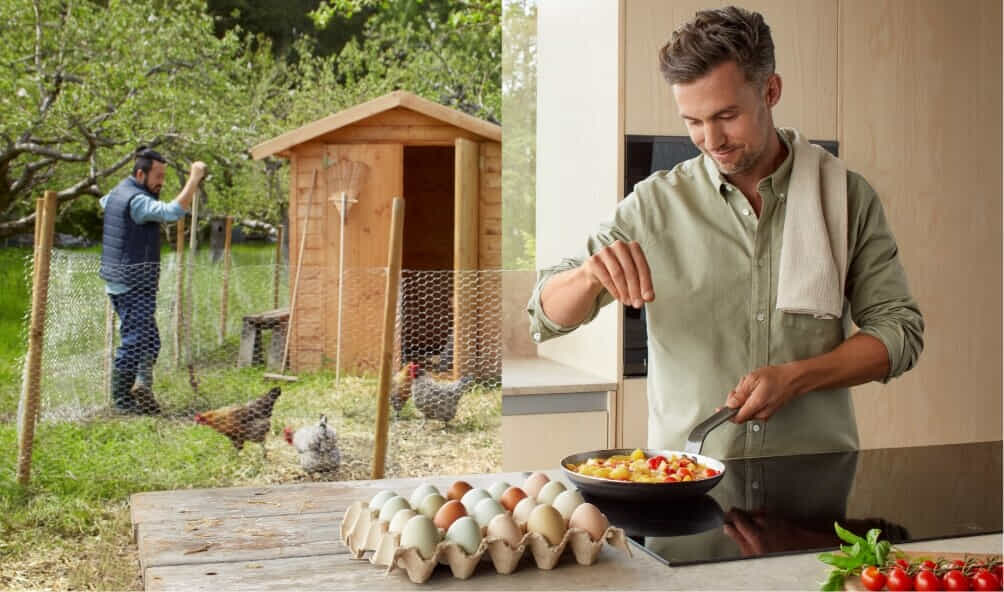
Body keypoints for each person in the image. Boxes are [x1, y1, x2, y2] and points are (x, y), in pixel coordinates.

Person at [527, 7, 923, 458]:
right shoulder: (655, 205)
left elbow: (900, 332)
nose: (711, 139)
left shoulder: (847, 196)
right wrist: (589, 277)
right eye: (693, 122)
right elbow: (543, 316)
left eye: (727, 115)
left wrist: (798, 377)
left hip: (814, 479)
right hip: (686, 484)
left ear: (770, 90)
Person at [99, 147, 206, 414]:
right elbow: (171, 212)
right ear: (140, 173)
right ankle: (123, 402)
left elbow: (104, 202)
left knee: (149, 340)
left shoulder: (119, 193)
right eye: (158, 176)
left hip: (124, 279)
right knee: (135, 341)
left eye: (164, 176)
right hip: (131, 282)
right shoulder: (137, 201)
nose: (162, 182)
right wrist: (193, 179)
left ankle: (142, 386)